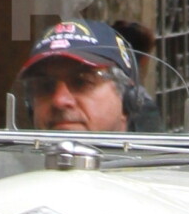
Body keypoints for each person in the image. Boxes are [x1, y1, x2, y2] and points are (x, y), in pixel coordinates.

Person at [14, 19, 160, 134]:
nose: (59, 100)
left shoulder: (160, 162)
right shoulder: (11, 162)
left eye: (82, 82)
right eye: (45, 87)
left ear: (127, 101)